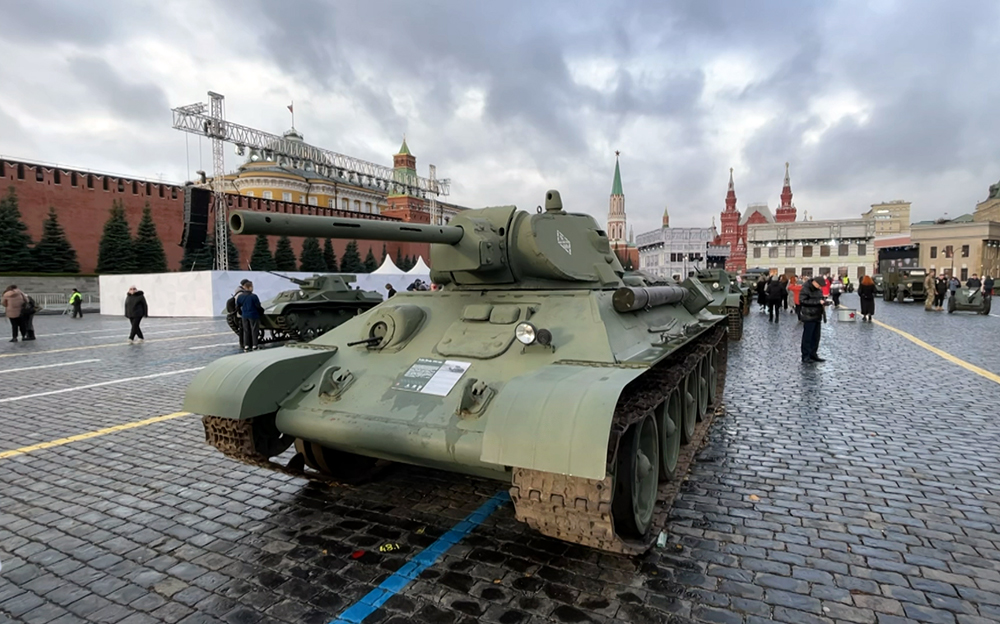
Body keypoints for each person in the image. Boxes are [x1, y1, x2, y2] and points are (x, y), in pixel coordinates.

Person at [799, 277, 827, 363]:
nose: (820, 287)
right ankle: (805, 355)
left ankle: (813, 354)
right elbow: (802, 301)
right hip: (809, 315)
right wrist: (818, 302)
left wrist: (824, 301)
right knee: (808, 337)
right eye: (819, 285)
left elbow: (819, 299)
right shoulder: (805, 288)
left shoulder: (818, 290)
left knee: (816, 337)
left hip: (817, 315)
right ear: (814, 282)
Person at [240, 281, 265, 352]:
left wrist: (241, 313)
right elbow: (258, 306)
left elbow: (238, 306)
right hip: (253, 315)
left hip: (244, 315)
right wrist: (261, 312)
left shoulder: (241, 296)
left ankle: (246, 346)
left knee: (246, 330)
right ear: (250, 287)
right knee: (254, 330)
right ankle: (255, 345)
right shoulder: (254, 296)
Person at [230, 280, 250, 350]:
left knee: (243, 329)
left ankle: (244, 343)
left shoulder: (238, 292)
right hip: (242, 314)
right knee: (243, 329)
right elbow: (240, 304)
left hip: (240, 313)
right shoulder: (241, 293)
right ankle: (244, 343)